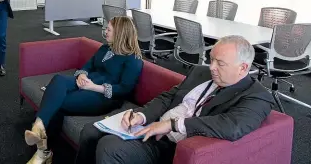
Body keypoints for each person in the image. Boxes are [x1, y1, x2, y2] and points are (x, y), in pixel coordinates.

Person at [76, 35, 275, 164]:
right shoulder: (200, 73)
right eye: (211, 59)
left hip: (174, 145)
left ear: (243, 68)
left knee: (109, 147)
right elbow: (167, 97)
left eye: (220, 63)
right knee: (90, 130)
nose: (211, 67)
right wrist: (141, 116)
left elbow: (233, 126)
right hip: (152, 126)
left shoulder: (257, 96)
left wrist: (172, 125)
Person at [24, 16, 144, 164]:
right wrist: (81, 74)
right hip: (86, 83)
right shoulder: (106, 48)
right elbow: (88, 65)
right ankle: (39, 126)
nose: (105, 32)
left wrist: (94, 87)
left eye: (109, 30)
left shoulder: (133, 60)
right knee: (58, 80)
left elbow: (124, 89)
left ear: (120, 33)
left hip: (104, 96)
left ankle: (43, 151)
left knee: (57, 103)